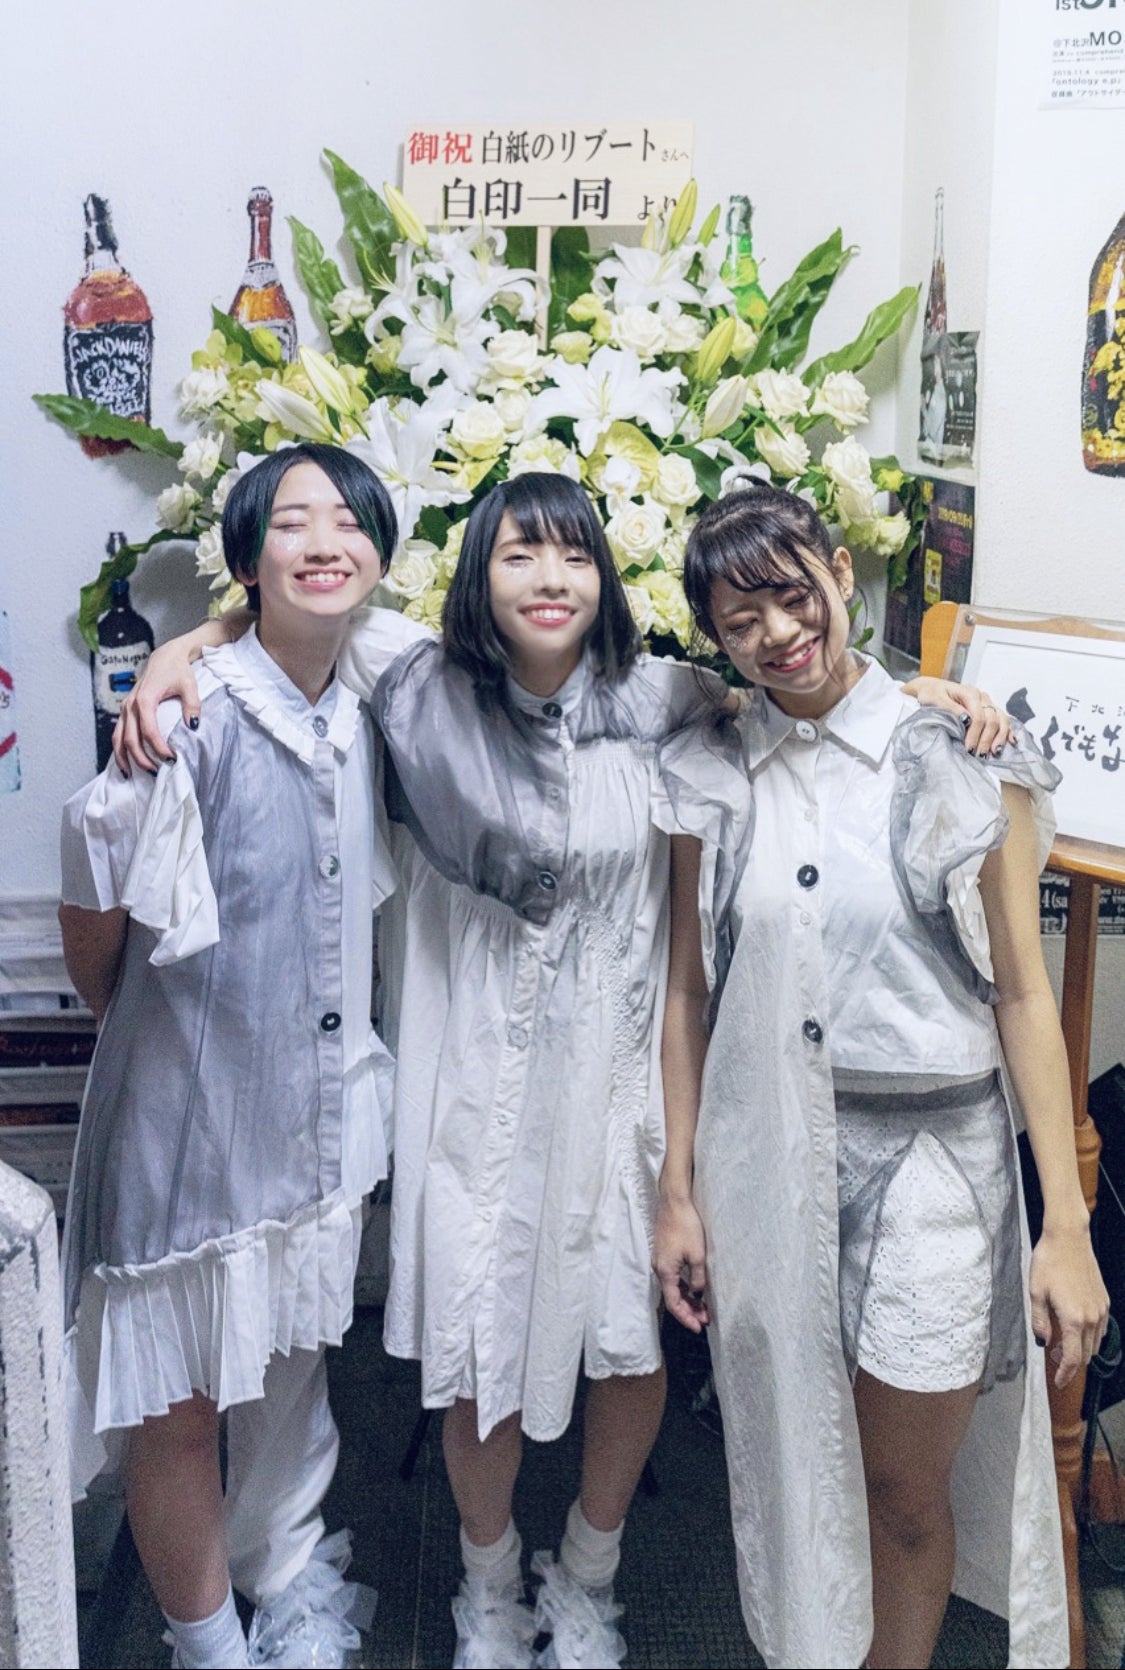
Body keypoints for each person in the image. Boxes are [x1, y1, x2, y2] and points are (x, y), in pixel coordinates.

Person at [116, 469, 1012, 1670]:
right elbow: (297, 609)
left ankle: (587, 1575)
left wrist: (918, 690)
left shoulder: (668, 697)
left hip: (620, 1071)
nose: (550, 578)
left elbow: (802, 684)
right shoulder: (416, 679)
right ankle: (486, 1583)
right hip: (472, 1077)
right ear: (477, 575)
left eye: (575, 554)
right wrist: (181, 647)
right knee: (477, 1348)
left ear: (606, 575)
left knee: (627, 1340)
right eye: (519, 554)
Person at [652, 482, 1109, 1670]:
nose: (776, 633)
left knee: (904, 1490)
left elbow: (1023, 995)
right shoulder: (710, 768)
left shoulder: (957, 754)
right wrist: (678, 1189)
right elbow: (687, 992)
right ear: (714, 638)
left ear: (842, 573)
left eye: (792, 594)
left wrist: (1066, 1226)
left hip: (933, 1168)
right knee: (799, 1468)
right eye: (739, 619)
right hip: (768, 1162)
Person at [59, 444, 398, 1669]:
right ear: (247, 558)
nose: (325, 541)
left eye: (349, 520)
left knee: (290, 1364)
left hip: (315, 1111)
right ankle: (206, 1638)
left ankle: (291, 1572)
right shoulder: (191, 715)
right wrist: (183, 654)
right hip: (188, 1120)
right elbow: (96, 909)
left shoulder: (377, 685)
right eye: (291, 522)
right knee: (180, 1399)